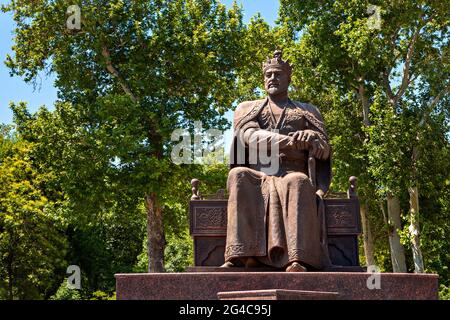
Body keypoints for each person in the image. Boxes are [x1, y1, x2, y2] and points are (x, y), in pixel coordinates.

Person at [223, 50, 332, 272]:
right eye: (268, 75)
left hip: (292, 173)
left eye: (278, 75)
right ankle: (240, 255)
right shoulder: (247, 108)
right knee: (238, 175)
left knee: (299, 182)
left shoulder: (307, 111)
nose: (272, 78)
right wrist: (291, 141)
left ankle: (298, 260)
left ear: (288, 78)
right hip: (259, 174)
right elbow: (249, 136)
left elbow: (324, 151)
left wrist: (313, 140)